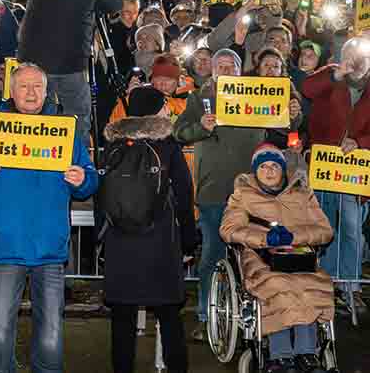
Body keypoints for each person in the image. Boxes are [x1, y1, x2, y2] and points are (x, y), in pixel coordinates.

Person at [0, 63, 98, 373]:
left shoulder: (65, 132)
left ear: (47, 92)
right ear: (11, 91)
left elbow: (90, 180)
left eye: (37, 86)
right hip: (6, 249)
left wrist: (82, 180)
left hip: (50, 250)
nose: (31, 93)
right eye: (24, 86)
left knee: (51, 337)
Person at [173, 48, 267, 341]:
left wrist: (294, 113)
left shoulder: (257, 95)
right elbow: (178, 132)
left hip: (251, 192)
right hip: (213, 191)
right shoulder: (197, 99)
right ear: (212, 71)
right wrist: (200, 127)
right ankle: (207, 316)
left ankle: (255, 319)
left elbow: (284, 124)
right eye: (221, 65)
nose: (226, 69)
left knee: (253, 256)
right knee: (212, 255)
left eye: (231, 65)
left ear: (240, 70)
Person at [101, 87, 193, 373]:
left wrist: (100, 242)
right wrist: (189, 240)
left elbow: (101, 196)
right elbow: (184, 192)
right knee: (169, 315)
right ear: (154, 110)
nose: (167, 110)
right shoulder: (167, 145)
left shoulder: (113, 145)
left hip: (120, 241)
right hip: (160, 241)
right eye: (163, 105)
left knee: (122, 318)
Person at [220, 144, 334, 373]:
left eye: (275, 166)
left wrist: (295, 236)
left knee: (311, 285)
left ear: (283, 169)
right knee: (278, 285)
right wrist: (264, 239)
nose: (269, 171)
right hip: (260, 257)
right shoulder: (243, 195)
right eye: (263, 166)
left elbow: (325, 231)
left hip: (299, 256)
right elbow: (229, 229)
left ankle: (306, 354)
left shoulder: (302, 194)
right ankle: (280, 356)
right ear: (255, 171)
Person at [16, 0, 123, 144]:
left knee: (35, 111)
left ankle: (34, 159)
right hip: (69, 54)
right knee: (77, 113)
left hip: (32, 48)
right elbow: (114, 3)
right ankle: (76, 160)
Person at [301, 37, 370, 314]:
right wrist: (336, 74)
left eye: (362, 56)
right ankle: (327, 283)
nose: (357, 61)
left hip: (355, 169)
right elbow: (307, 88)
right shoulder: (331, 74)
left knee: (351, 229)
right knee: (325, 225)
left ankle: (351, 285)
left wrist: (361, 142)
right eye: (351, 55)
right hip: (325, 166)